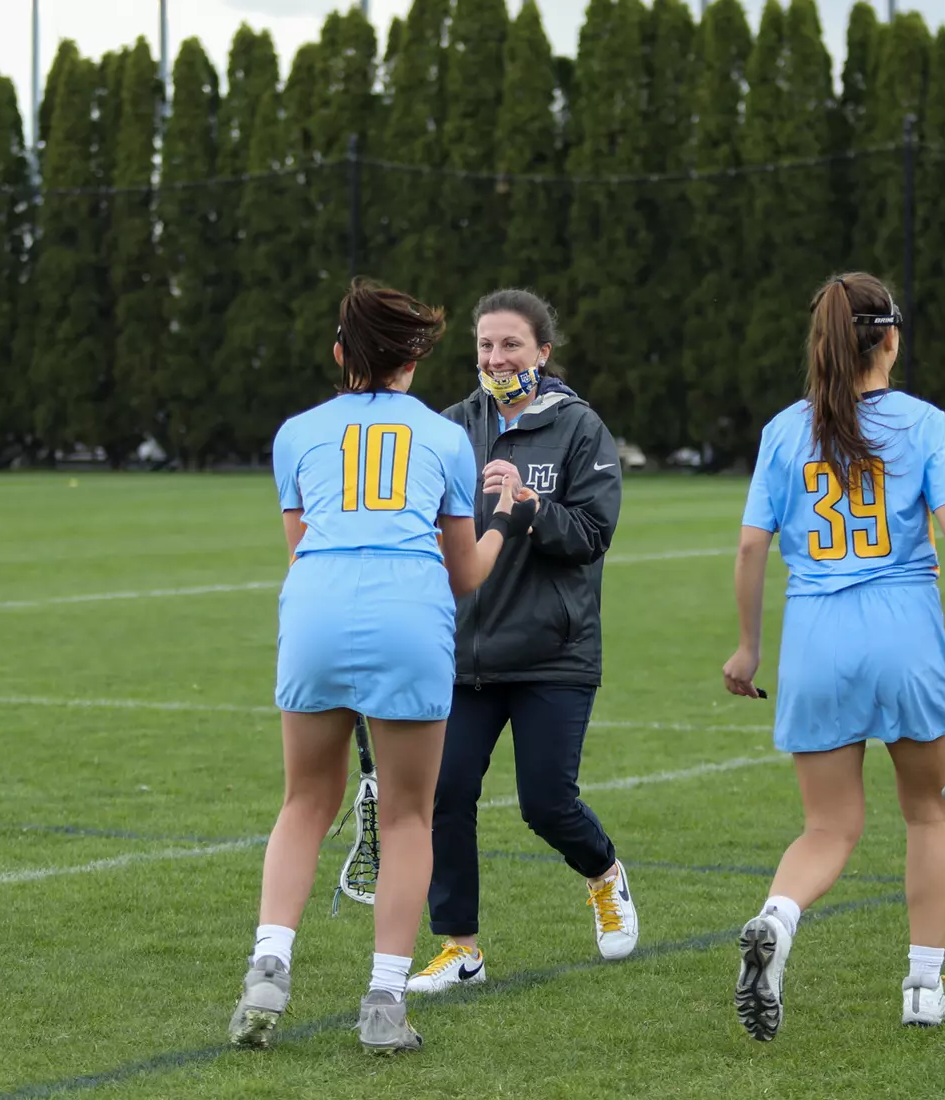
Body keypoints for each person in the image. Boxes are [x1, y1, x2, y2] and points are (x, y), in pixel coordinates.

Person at [231, 279, 536, 1054]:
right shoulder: (443, 438)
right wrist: (507, 521)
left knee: (304, 801)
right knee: (406, 815)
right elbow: (465, 572)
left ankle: (268, 966)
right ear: (412, 361)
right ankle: (385, 1002)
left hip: (316, 610)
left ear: (341, 356)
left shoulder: (296, 432)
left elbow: (302, 545)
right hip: (408, 615)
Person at [721, 272, 945, 1040]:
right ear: (891, 338)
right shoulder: (920, 421)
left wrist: (750, 649)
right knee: (927, 815)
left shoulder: (785, 430)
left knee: (828, 828)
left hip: (817, 639)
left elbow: (754, 545)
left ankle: (777, 920)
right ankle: (923, 985)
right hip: (904, 634)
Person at [405, 288, 634, 996]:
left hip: (553, 654)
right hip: (467, 652)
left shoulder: (579, 428)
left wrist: (531, 508)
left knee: (545, 803)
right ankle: (460, 946)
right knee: (445, 793)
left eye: (510, 345)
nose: (495, 358)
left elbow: (593, 535)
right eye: (484, 345)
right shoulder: (449, 429)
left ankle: (602, 871)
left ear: (542, 352)